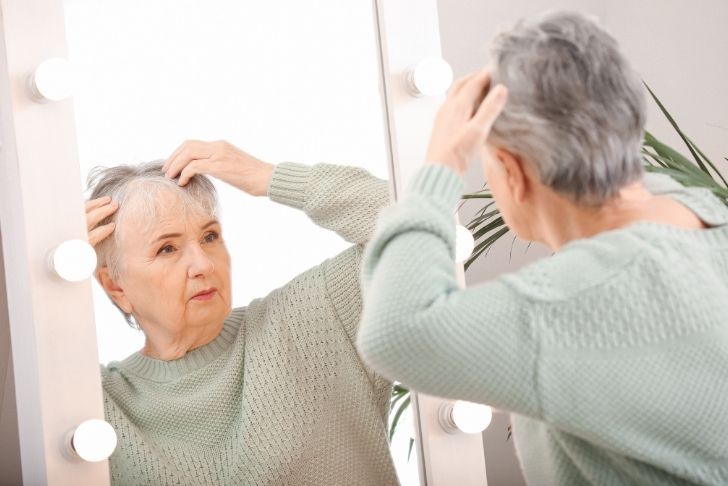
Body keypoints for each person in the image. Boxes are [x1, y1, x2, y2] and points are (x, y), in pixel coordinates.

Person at [357, 11, 728, 486]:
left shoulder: (578, 302)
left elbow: (397, 332)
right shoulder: (705, 218)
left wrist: (442, 161)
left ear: (512, 171)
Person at [85, 140, 398, 485]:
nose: (203, 264)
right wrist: (50, 274)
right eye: (168, 248)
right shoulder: (99, 404)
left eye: (209, 237)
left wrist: (268, 177)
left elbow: (422, 224)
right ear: (116, 287)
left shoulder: (313, 318)